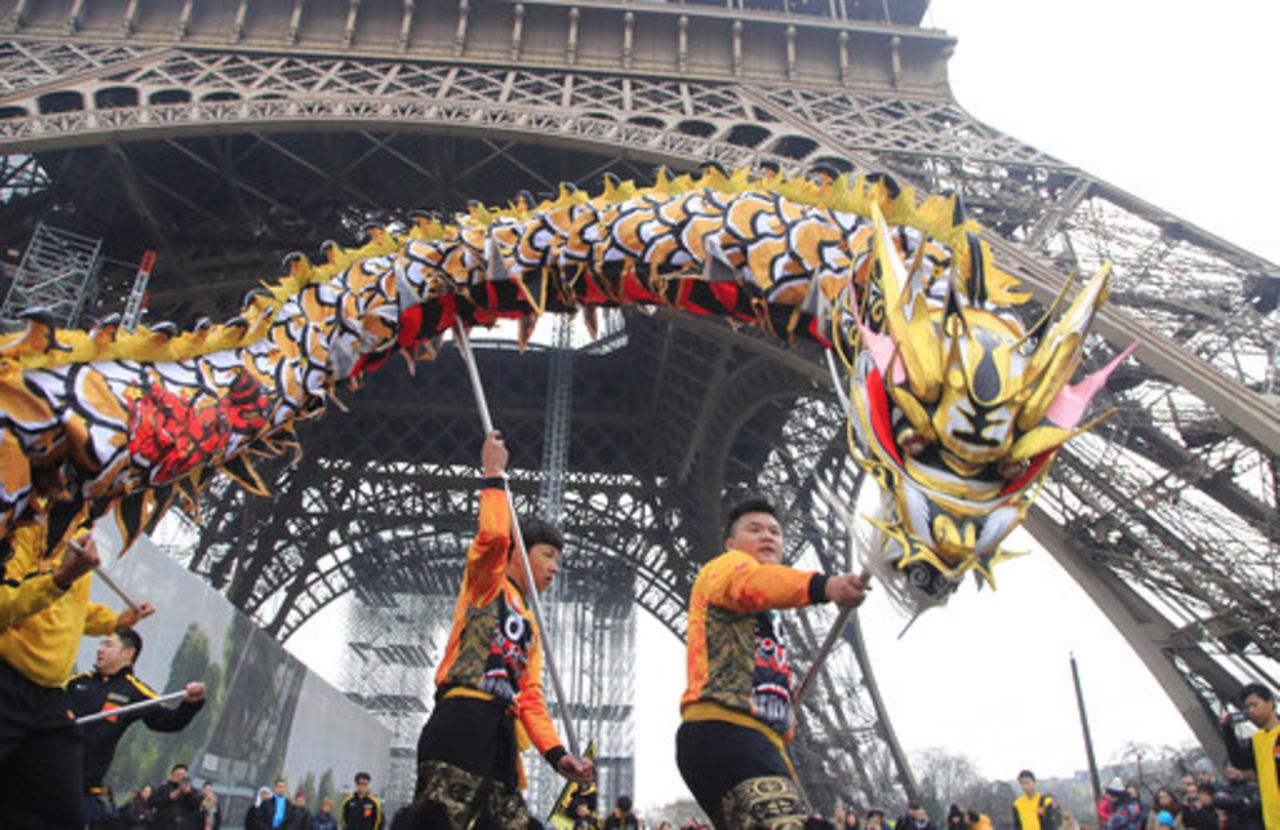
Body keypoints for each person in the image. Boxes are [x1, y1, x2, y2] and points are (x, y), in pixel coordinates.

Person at [397, 431, 593, 829]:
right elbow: (491, 540)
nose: (556, 567)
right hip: (461, 724)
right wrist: (493, 474)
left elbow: (531, 699)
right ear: (519, 552)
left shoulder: (531, 628)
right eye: (548, 555)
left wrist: (556, 755)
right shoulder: (486, 588)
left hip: (499, 743)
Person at [675, 496, 871, 829]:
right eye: (754, 529)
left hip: (756, 741)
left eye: (775, 531)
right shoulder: (725, 569)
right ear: (730, 544)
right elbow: (752, 585)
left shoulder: (770, 611)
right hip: (726, 732)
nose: (767, 535)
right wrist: (825, 585)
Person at [0, 525, 153, 828]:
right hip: (7, 679)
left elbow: (72, 609)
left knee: (64, 814)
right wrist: (61, 579)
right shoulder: (26, 526)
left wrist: (115, 620)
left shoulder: (80, 532)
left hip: (48, 699)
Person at [69, 629, 206, 824]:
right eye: (101, 644)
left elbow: (170, 721)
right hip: (44, 773)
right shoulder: (76, 682)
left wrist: (191, 704)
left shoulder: (135, 692)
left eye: (108, 645)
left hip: (81, 789)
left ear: (128, 653)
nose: (100, 649)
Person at [1222, 683, 1280, 830]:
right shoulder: (1258, 739)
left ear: (1270, 703)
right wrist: (1228, 732)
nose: (1251, 711)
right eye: (1248, 707)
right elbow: (1241, 763)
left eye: (1255, 705)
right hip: (1272, 819)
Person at [151, 764, 203, 830]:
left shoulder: (192, 791)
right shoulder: (164, 788)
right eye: (178, 774)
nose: (180, 777)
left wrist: (189, 793)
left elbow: (197, 805)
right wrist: (168, 797)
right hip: (162, 826)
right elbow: (152, 801)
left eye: (183, 775)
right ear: (172, 775)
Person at [1216, 764, 1263, 830]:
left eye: (1232, 766)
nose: (1229, 769)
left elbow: (1255, 805)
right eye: (1227, 767)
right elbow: (1219, 801)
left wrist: (1230, 799)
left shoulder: (1253, 786)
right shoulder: (1224, 788)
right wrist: (1244, 800)